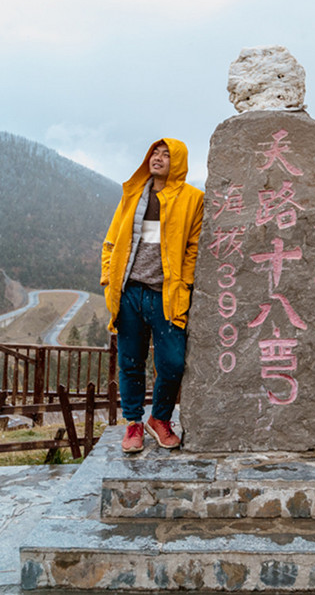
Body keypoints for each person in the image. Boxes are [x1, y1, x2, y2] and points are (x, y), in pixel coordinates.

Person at [101, 139, 204, 452]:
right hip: (130, 290)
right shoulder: (134, 193)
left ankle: (160, 419)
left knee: (172, 362)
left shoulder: (193, 199)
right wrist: (108, 277)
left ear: (179, 162)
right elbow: (112, 239)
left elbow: (193, 248)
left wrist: (184, 282)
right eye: (154, 154)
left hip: (166, 293)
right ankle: (133, 424)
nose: (158, 159)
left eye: (166, 155)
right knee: (130, 362)